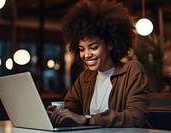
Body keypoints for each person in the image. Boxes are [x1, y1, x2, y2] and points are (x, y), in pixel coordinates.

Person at [47, 0, 150, 128]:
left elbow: (136, 117)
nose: (86, 54)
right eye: (81, 49)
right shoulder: (85, 77)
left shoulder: (132, 70)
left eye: (93, 47)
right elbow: (71, 109)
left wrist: (87, 119)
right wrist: (58, 114)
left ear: (110, 45)